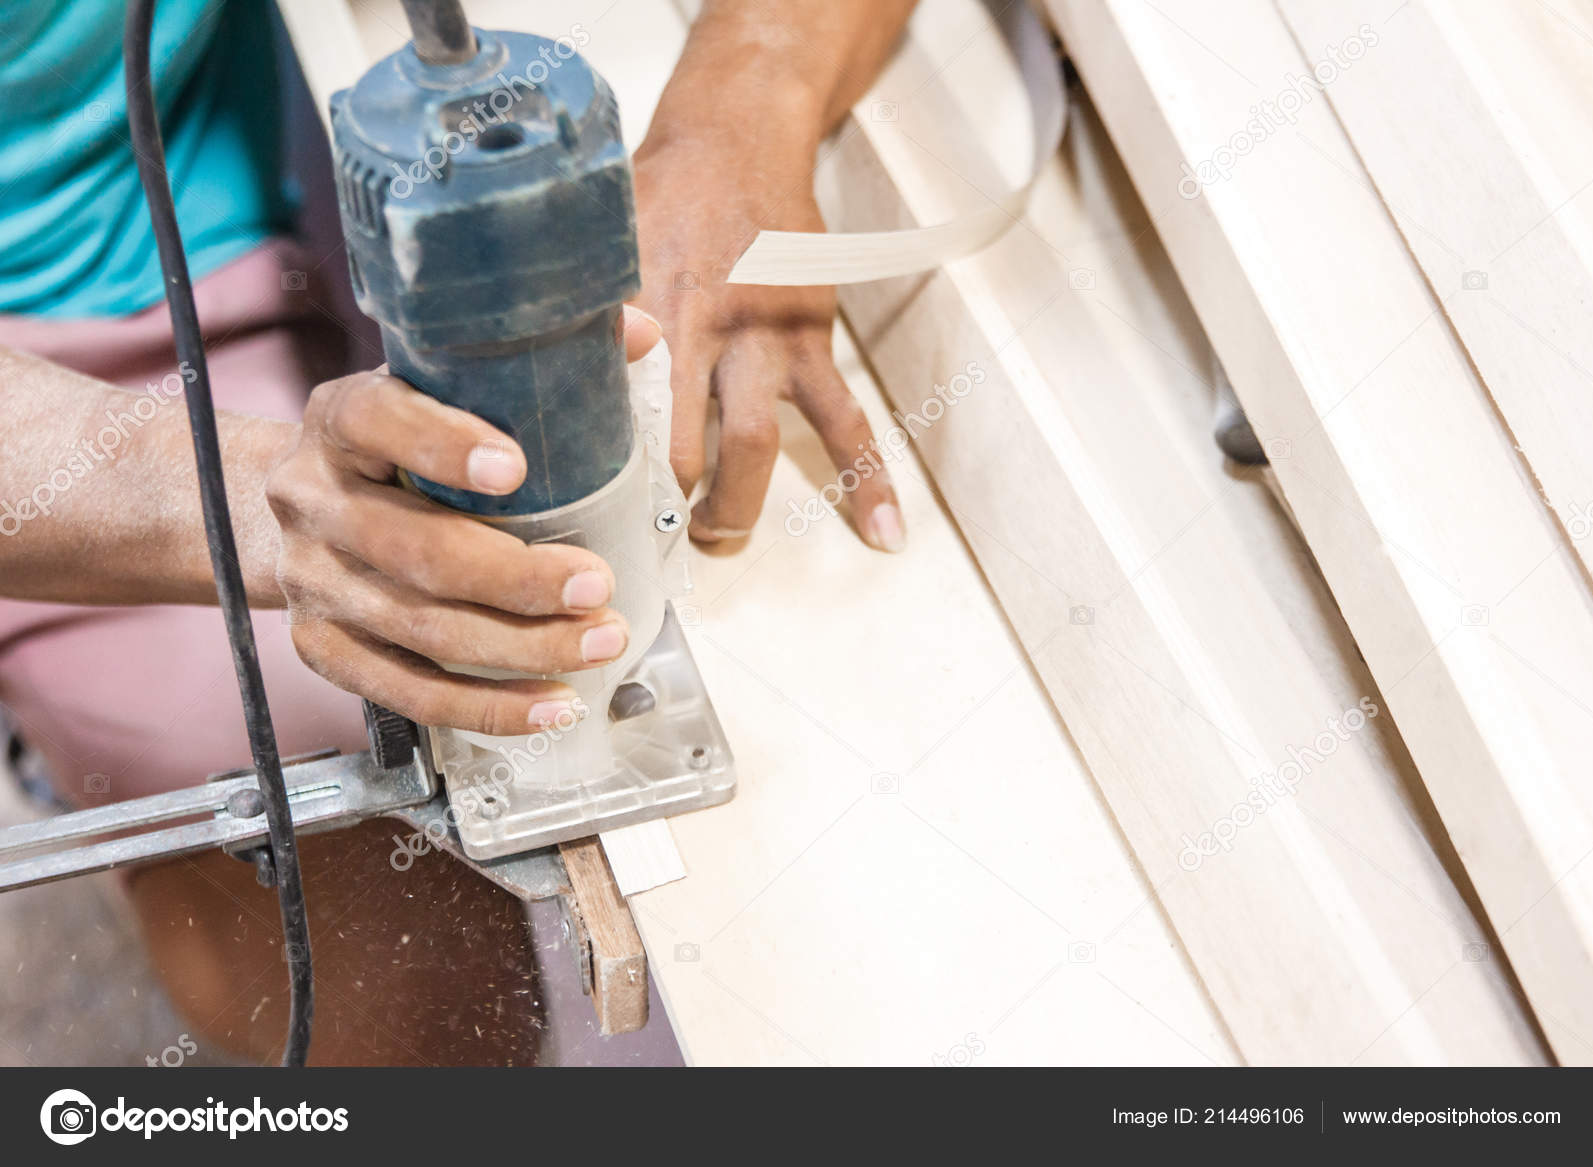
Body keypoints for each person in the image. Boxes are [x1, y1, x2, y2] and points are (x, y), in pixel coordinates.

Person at [0, 0, 918, 1063]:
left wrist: (747, 100)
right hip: (57, 401)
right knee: (415, 1012)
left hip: (228, 201)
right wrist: (250, 502)